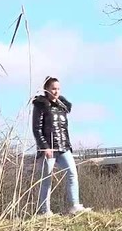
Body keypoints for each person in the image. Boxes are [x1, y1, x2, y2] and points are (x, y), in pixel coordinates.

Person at [31, 76, 90, 216]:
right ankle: (44, 211)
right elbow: (37, 128)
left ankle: (75, 205)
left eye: (58, 89)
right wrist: (44, 147)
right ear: (47, 89)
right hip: (49, 149)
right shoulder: (41, 105)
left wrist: (67, 145)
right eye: (53, 88)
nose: (56, 91)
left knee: (72, 173)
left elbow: (63, 128)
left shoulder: (61, 106)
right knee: (47, 179)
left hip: (63, 147)